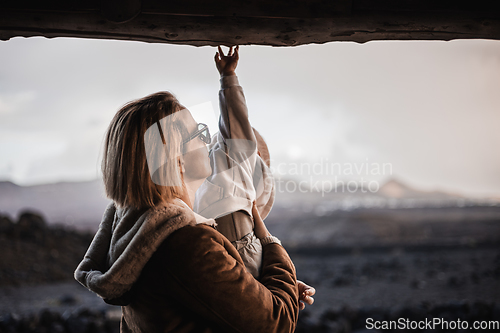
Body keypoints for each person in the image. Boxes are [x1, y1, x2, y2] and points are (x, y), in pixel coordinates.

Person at [74, 45, 313, 332]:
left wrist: (261, 291)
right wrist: (271, 247)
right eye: (198, 133)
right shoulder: (187, 244)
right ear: (178, 162)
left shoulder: (134, 229)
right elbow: (277, 322)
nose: (208, 139)